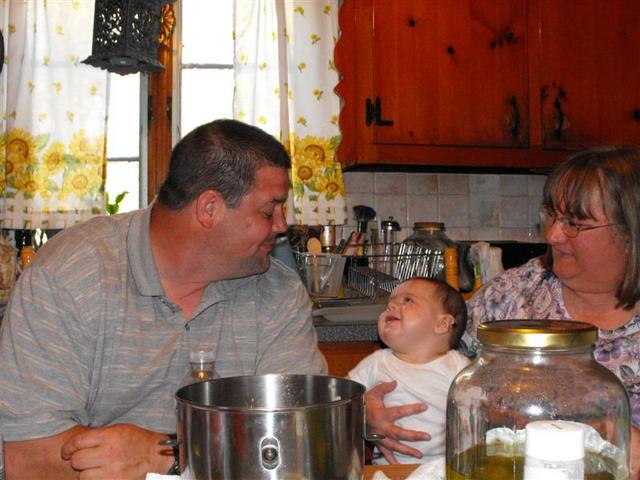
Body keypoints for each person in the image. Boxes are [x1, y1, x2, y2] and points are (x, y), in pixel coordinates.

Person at [0, 119, 327, 480]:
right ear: (209, 208)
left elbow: (298, 439)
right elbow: (23, 455)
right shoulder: (70, 276)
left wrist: (166, 456)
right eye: (268, 211)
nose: (281, 225)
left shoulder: (278, 291)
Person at [364, 146, 640, 474]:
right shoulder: (514, 291)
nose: (553, 235)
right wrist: (371, 410)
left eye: (574, 223)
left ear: (630, 232)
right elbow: (422, 362)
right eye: (552, 216)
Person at [349, 277, 469, 464]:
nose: (391, 306)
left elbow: (486, 407)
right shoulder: (376, 363)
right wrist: (361, 413)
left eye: (408, 300)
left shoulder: (459, 367)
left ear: (442, 324)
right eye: (389, 303)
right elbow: (340, 403)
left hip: (446, 469)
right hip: (391, 471)